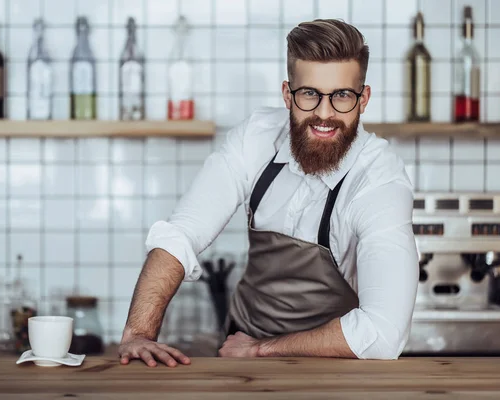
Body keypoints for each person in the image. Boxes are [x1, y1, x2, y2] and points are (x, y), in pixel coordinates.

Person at [118, 19, 419, 367]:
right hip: (239, 348)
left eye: (342, 96)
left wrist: (262, 348)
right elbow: (181, 234)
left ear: (363, 99)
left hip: (336, 367)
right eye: (309, 94)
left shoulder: (379, 182)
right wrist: (138, 333)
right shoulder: (256, 138)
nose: (324, 113)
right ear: (287, 94)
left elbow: (383, 333)